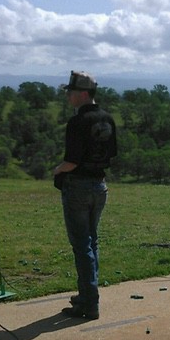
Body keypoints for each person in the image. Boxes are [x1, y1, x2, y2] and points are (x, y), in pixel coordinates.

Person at [53, 71, 117, 320]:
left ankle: (90, 303)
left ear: (82, 93)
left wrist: (58, 170)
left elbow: (71, 161)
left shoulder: (77, 122)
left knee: (82, 246)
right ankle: (87, 294)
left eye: (70, 91)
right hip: (99, 186)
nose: (68, 96)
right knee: (92, 242)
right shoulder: (107, 119)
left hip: (78, 187)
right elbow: (110, 155)